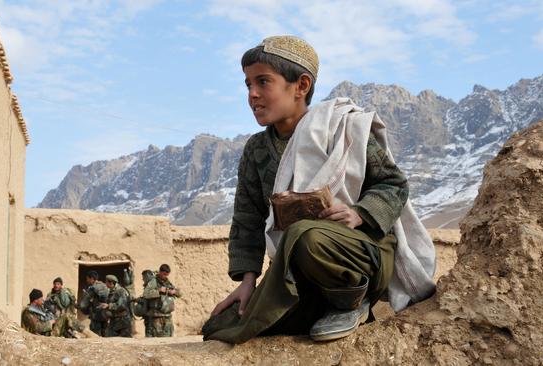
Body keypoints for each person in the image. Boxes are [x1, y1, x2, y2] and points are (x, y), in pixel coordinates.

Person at [202, 35, 436, 344]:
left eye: (263, 82)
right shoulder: (256, 151)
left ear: (301, 85)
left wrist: (358, 213)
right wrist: (247, 283)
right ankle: (317, 306)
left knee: (306, 235)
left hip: (358, 257)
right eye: (247, 85)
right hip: (297, 269)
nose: (253, 95)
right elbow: (248, 219)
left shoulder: (342, 129)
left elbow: (393, 185)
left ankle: (351, 303)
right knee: (221, 327)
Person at [142, 264, 181, 337]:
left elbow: (180, 294)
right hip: (156, 318)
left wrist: (174, 292)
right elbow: (146, 294)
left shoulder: (168, 282)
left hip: (168, 317)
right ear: (160, 272)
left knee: (168, 340)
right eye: (164, 274)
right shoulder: (153, 282)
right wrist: (159, 290)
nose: (165, 276)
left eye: (167, 275)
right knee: (157, 341)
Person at [79, 271, 109, 336]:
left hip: (96, 315)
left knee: (95, 334)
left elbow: (83, 305)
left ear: (92, 278)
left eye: (87, 278)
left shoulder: (92, 288)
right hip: (105, 315)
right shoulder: (104, 286)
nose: (87, 280)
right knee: (105, 334)